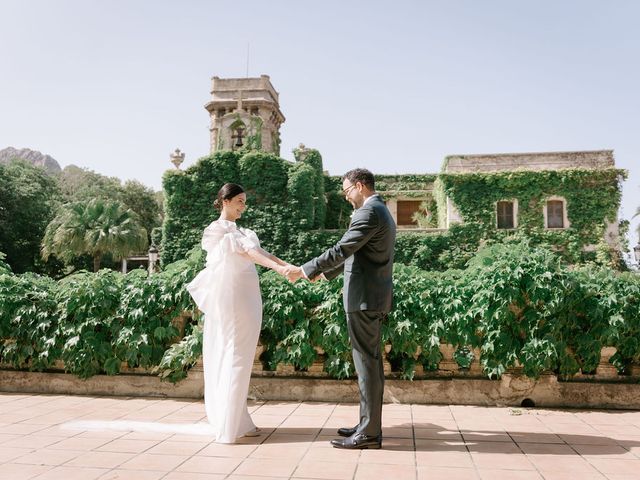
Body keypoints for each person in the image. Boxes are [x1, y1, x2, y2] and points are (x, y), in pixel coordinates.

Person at [285, 168, 396, 449]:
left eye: (347, 191)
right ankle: (366, 423)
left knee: (367, 365)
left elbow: (343, 248)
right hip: (370, 296)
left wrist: (305, 270)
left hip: (364, 298)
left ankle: (369, 433)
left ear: (360, 186)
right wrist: (326, 275)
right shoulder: (379, 210)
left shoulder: (369, 212)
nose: (346, 197)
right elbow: (360, 250)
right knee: (368, 363)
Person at [187, 183, 291, 443]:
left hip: (247, 297)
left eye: (245, 202)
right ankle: (230, 425)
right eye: (240, 201)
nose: (243, 206)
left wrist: (289, 266)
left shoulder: (241, 231)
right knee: (236, 355)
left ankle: (238, 418)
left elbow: (261, 252)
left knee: (241, 357)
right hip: (234, 300)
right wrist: (280, 271)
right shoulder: (219, 230)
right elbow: (250, 253)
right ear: (225, 201)